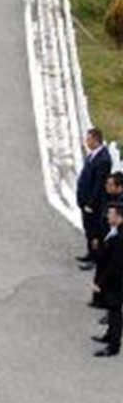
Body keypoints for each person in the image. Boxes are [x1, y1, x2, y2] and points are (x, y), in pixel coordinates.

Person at [77, 128, 113, 268]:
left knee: (95, 231)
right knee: (89, 229)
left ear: (95, 140)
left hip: (94, 204)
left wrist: (90, 204)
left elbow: (98, 185)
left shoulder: (103, 159)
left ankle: (95, 258)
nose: (86, 141)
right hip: (85, 201)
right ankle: (90, 253)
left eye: (88, 139)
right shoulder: (93, 155)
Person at [92, 205, 123, 357]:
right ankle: (109, 335)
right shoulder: (114, 231)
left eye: (111, 214)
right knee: (111, 310)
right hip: (114, 280)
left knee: (115, 312)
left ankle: (114, 346)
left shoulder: (119, 238)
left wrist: (100, 283)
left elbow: (114, 265)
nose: (108, 217)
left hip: (117, 282)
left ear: (119, 217)